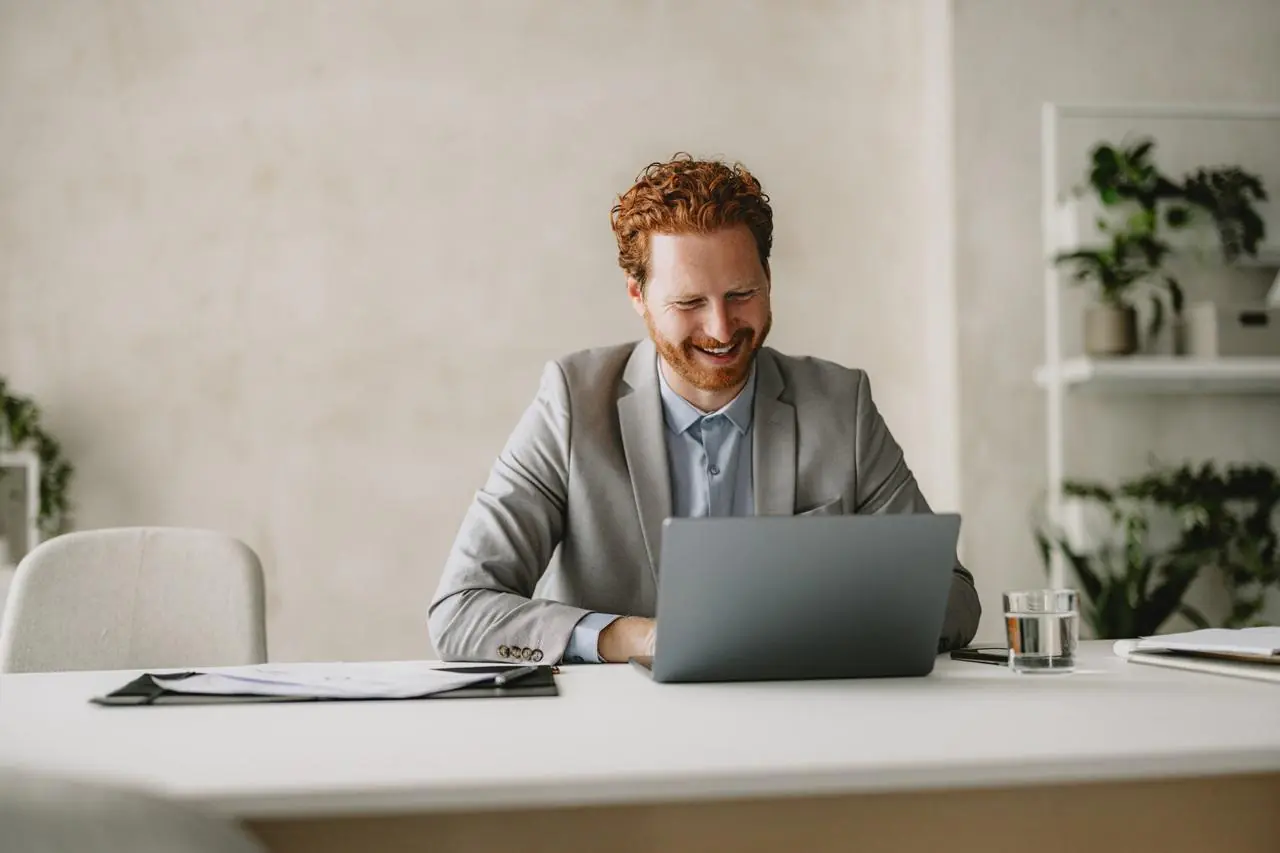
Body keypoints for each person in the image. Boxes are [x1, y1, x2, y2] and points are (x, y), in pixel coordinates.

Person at [428, 154, 980, 664]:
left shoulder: (840, 403)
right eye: (689, 302)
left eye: (742, 294)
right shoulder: (572, 401)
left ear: (769, 280)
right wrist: (638, 637)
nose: (721, 328)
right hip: (616, 743)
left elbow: (954, 600)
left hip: (804, 732)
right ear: (637, 296)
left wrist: (812, 625)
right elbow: (460, 610)